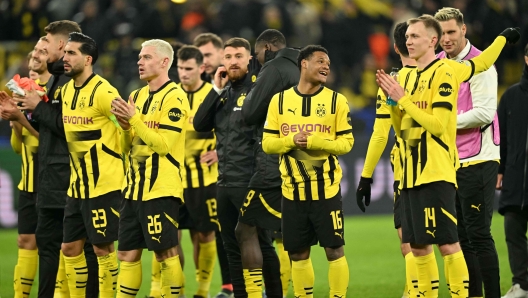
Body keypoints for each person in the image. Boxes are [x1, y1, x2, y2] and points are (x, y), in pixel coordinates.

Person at [376, 15, 521, 298]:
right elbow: (401, 130)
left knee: (458, 240)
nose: (408, 41)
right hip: (414, 172)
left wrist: (502, 38)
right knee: (419, 245)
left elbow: (443, 123)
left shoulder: (446, 70)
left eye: (414, 36)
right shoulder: (407, 76)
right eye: (407, 37)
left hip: (453, 164)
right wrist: (395, 103)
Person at [11, 20, 100, 298]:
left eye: (45, 44)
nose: (40, 50)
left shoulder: (78, 85)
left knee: (81, 249)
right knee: (51, 247)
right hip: (52, 176)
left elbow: (70, 128)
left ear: (60, 46)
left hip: (70, 178)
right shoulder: (58, 82)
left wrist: (36, 108)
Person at [262, 45, 354, 298]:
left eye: (328, 63)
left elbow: (346, 144)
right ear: (303, 63)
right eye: (321, 61)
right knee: (297, 252)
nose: (326, 66)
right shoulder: (279, 101)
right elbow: (268, 144)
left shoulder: (337, 100)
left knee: (334, 249)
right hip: (292, 192)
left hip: (327, 189)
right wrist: (292, 141)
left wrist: (314, 141)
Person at [111, 39, 189, 298]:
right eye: (140, 57)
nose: (139, 61)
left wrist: (134, 119)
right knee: (126, 253)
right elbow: (126, 147)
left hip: (160, 189)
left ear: (165, 62)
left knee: (165, 252)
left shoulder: (175, 96)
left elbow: (164, 145)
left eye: (146, 57)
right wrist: (124, 127)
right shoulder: (137, 95)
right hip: (133, 189)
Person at [434, 7, 501, 297]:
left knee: (478, 234)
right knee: (459, 236)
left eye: (451, 32)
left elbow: (485, 113)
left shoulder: (481, 64)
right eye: (441, 34)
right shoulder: (436, 64)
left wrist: (442, 124)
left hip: (479, 158)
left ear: (463, 30)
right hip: (448, 161)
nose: (446, 39)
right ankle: (473, 294)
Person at [356, 21, 419, 298]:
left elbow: (380, 135)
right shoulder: (446, 73)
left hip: (410, 170)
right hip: (439, 167)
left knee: (411, 242)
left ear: (394, 47)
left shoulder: (392, 84)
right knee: (450, 242)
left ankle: (415, 292)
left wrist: (366, 176)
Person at [193, 37, 258, 298]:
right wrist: (215, 90)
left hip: (250, 181)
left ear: (249, 59)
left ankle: (263, 292)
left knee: (258, 242)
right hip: (224, 183)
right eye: (228, 57)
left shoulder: (256, 91)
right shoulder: (222, 94)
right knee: (230, 244)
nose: (233, 62)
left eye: (238, 56)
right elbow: (199, 124)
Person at [238, 28, 300, 298]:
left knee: (246, 227)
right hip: (300, 164)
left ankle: (256, 295)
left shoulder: (273, 68)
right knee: (290, 234)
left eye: (257, 55)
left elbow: (249, 113)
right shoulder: (302, 66)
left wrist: (254, 81)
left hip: (272, 161)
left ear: (268, 48)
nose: (257, 60)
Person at [194, 32, 234, 298]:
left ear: (221, 54)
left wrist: (221, 152)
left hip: (233, 171)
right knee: (208, 233)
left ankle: (250, 286)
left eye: (207, 54)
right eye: (200, 56)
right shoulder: (196, 88)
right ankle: (217, 287)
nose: (203, 61)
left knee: (238, 231)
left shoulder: (235, 86)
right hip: (201, 176)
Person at [177, 45, 218, 298]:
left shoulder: (214, 96)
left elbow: (230, 129)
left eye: (188, 68)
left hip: (205, 178)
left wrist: (220, 151)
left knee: (203, 234)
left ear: (201, 69)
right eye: (180, 68)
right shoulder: (171, 95)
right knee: (170, 237)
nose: (183, 73)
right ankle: (173, 290)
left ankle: (202, 291)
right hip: (173, 179)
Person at [8, 42, 47, 298]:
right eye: (31, 58)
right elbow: (18, 149)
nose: (32, 63)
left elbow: (50, 143)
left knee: (55, 247)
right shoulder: (23, 97)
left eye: (38, 57)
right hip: (27, 183)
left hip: (49, 184)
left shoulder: (50, 98)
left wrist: (22, 119)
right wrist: (15, 124)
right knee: (25, 242)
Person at [497, 43, 528, 298]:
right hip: (516, 178)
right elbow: (501, 138)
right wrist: (499, 169)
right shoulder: (511, 96)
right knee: (512, 230)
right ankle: (522, 284)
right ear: (527, 58)